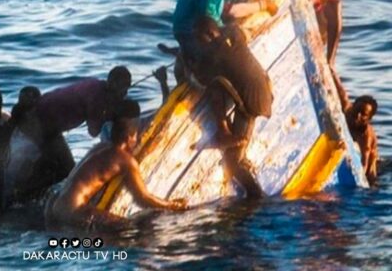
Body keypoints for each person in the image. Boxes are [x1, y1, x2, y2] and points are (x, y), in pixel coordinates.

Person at [44, 100, 187, 230]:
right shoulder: (124, 160)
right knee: (128, 228)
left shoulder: (99, 147)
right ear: (130, 136)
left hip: (53, 203)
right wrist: (172, 206)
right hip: (73, 210)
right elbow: (143, 199)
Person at [196, 17, 273, 198]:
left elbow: (200, 78)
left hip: (252, 104)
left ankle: (256, 197)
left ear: (209, 35)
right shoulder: (234, 34)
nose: (200, 44)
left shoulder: (215, 55)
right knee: (239, 154)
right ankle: (244, 159)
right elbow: (235, 28)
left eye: (200, 39)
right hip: (264, 90)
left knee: (232, 163)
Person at [3, 86, 75, 205]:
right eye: (25, 107)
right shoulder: (12, 125)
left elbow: (68, 169)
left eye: (32, 108)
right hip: (11, 190)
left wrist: (34, 186)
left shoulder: (51, 134)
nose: (29, 113)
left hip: (34, 194)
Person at [35, 66, 132, 139]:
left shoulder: (96, 84)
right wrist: (113, 114)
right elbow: (94, 131)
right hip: (40, 122)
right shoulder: (96, 96)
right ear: (112, 82)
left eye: (128, 87)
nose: (125, 93)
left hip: (45, 117)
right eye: (123, 87)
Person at [333, 73, 378, 186]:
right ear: (353, 106)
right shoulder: (347, 110)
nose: (358, 116)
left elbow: (363, 167)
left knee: (371, 182)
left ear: (369, 119)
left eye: (363, 114)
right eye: (357, 110)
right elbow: (336, 82)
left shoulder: (365, 136)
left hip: (369, 169)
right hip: (350, 150)